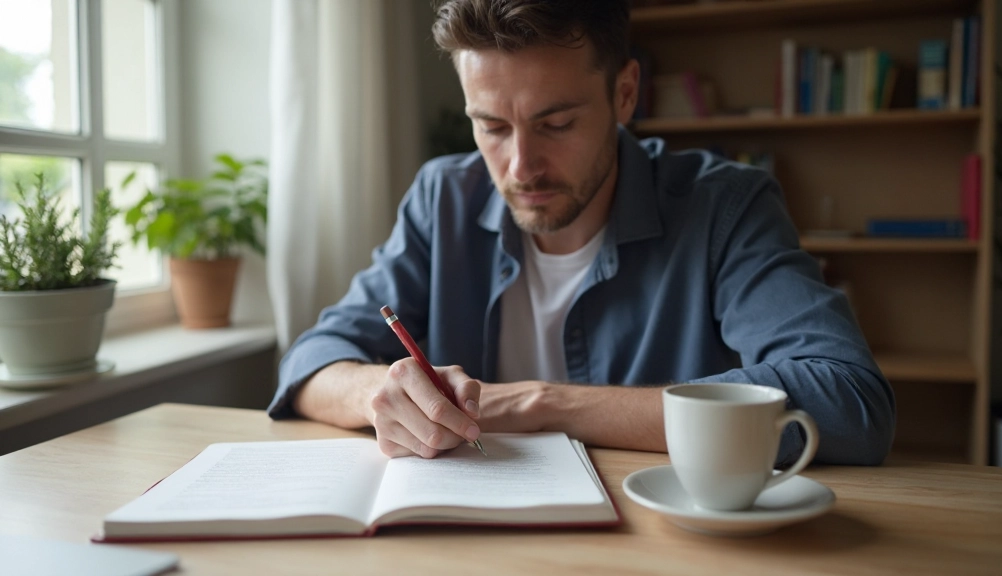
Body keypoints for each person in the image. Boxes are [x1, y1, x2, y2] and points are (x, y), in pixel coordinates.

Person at [269, 0, 895, 465]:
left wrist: (542, 404)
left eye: (557, 123)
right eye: (491, 127)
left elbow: (849, 400)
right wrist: (383, 393)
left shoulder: (724, 207)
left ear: (625, 93)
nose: (520, 167)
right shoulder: (443, 198)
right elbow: (310, 361)